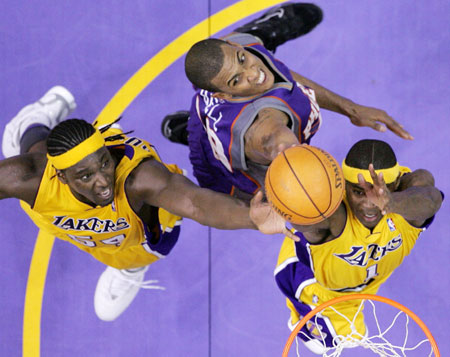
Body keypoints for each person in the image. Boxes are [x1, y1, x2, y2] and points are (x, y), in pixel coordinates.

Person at [0, 86, 291, 322]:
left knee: (151, 245)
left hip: (136, 231)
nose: (103, 181)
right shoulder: (28, 178)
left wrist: (251, 219)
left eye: (103, 163)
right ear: (61, 176)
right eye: (86, 176)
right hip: (61, 201)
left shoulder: (138, 179)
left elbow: (195, 204)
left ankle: (129, 268)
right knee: (34, 145)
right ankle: (33, 122)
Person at [161, 2, 413, 201]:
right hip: (223, 152)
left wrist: (351, 109)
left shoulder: (251, 68)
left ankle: (258, 34)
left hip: (222, 95)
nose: (253, 73)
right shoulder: (265, 133)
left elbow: (285, 81)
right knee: (247, 194)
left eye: (241, 59)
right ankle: (190, 130)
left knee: (237, 54)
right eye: (236, 80)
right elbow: (277, 142)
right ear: (224, 95)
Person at [269, 139, 443, 354]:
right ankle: (302, 310)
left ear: (397, 185)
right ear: (343, 187)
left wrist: (391, 203)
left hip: (363, 284)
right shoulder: (334, 216)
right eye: (358, 193)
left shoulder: (408, 201)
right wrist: (279, 202)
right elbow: (305, 220)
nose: (370, 204)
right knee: (329, 344)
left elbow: (432, 197)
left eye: (380, 193)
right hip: (314, 282)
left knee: (354, 337)